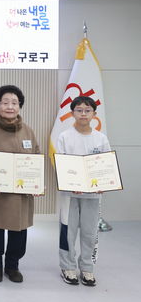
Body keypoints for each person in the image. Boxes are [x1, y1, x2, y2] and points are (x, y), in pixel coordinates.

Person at [0, 85, 40, 283]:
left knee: (18, 231)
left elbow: (35, 158)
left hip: (20, 194)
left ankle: (13, 265)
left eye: (14, 103)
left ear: (19, 106)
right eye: (5, 103)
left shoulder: (28, 132)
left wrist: (35, 183)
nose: (10, 107)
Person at [56, 96, 110, 287]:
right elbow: (61, 164)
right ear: (72, 113)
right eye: (79, 110)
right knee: (68, 231)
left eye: (87, 110)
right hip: (70, 194)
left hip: (93, 195)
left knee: (90, 231)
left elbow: (106, 166)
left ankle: (87, 268)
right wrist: (72, 184)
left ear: (94, 114)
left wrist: (104, 182)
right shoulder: (64, 137)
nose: (83, 114)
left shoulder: (101, 138)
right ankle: (67, 267)